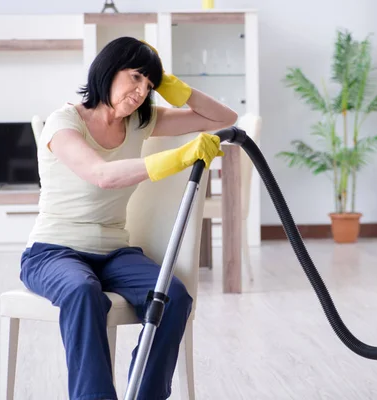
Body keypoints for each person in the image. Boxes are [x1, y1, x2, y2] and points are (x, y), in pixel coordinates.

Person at [20, 36, 237, 400]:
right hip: (53, 252)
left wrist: (171, 84)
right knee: (82, 290)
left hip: (114, 252)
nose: (140, 92)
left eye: (148, 85)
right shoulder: (63, 123)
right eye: (135, 77)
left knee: (173, 296)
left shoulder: (141, 121)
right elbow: (102, 175)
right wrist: (180, 158)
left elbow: (225, 118)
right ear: (108, 69)